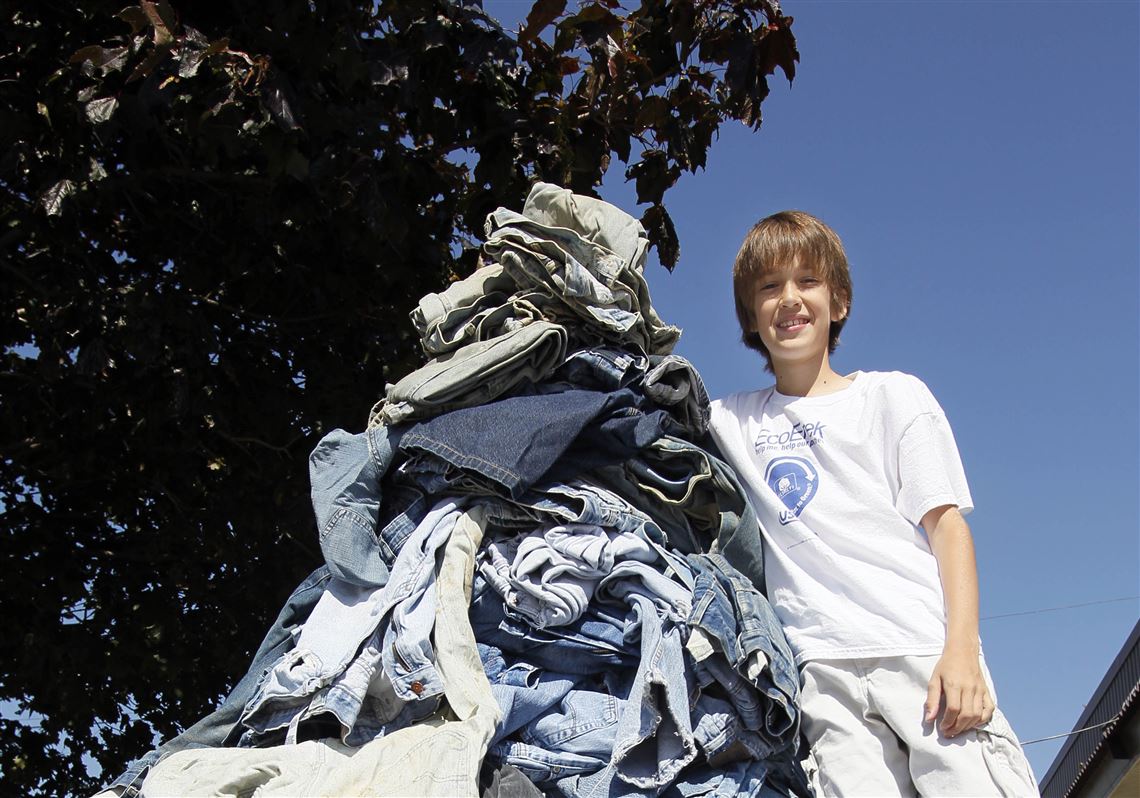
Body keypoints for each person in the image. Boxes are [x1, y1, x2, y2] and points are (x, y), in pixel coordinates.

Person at [707, 211, 1038, 796]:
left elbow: (947, 527)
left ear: (839, 303)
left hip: (918, 650)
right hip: (822, 676)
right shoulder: (731, 420)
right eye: (768, 287)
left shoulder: (893, 396)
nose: (789, 299)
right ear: (750, 317)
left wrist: (961, 649)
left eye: (807, 281)